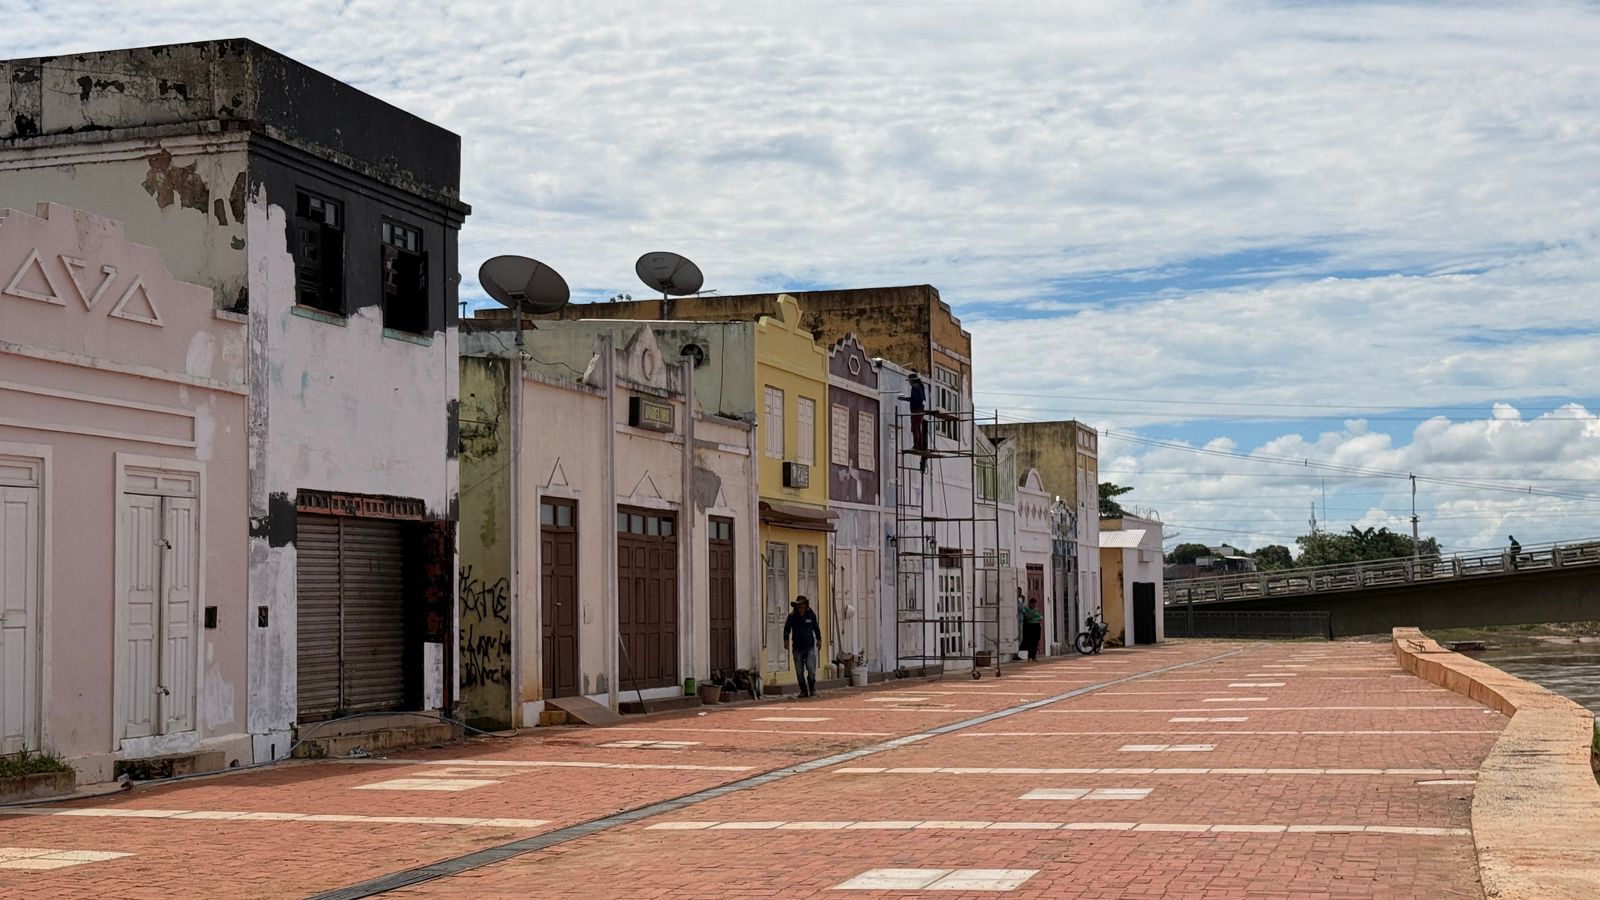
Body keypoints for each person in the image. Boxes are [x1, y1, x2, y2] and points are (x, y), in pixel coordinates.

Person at [783, 595, 823, 697]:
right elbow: (787, 629)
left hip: (809, 647)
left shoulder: (811, 615)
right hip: (797, 648)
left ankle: (812, 688)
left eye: (801, 604)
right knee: (799, 671)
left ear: (805, 605)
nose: (799, 607)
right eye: (798, 605)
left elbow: (816, 628)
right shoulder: (792, 616)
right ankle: (803, 690)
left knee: (811, 668)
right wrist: (786, 640)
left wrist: (819, 639)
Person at [907, 373, 929, 469]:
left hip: (916, 410)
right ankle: (919, 445)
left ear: (912, 381)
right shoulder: (920, 386)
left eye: (910, 381)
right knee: (918, 429)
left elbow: (914, 399)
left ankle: (916, 445)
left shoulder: (915, 387)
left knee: (915, 428)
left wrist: (905, 398)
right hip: (920, 409)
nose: (910, 383)